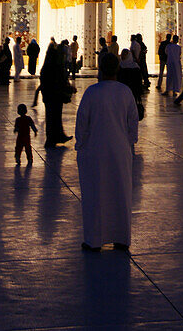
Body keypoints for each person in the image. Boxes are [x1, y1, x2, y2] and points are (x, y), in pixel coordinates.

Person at [75, 51, 139, 252]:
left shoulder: (92, 92)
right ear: (117, 69)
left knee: (96, 194)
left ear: (101, 69)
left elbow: (82, 124)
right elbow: (133, 124)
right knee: (120, 193)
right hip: (120, 151)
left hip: (95, 151)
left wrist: (82, 145)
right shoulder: (125, 92)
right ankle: (122, 238)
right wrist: (126, 143)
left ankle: (94, 240)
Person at [36, 43, 72, 148]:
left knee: (54, 117)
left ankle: (58, 137)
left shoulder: (47, 66)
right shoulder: (54, 67)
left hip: (50, 96)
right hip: (54, 96)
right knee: (53, 117)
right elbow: (58, 81)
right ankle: (51, 139)